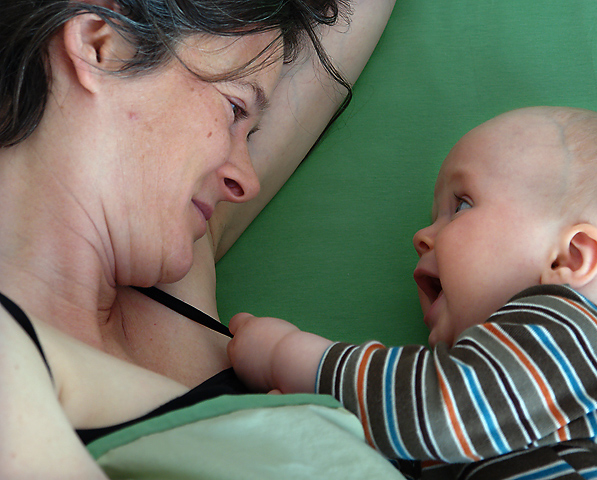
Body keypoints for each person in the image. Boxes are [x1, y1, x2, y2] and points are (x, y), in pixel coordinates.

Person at [0, 0, 398, 477]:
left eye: (251, 133)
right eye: (235, 109)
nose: (246, 181)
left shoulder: (181, 264)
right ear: (99, 44)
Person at [227, 106, 597, 479]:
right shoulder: (526, 392)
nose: (422, 236)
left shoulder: (573, 337)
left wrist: (285, 355)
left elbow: (431, 410)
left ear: (567, 259)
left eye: (462, 205)